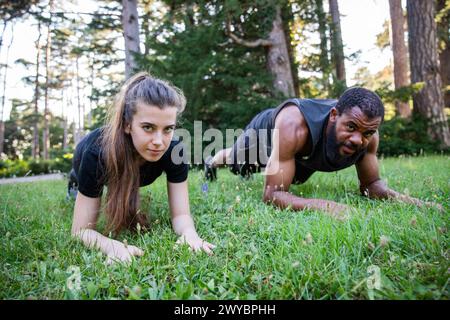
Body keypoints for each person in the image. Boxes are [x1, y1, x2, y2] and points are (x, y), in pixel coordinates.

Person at [205, 87, 441, 218]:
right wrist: (327, 206)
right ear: (334, 116)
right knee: (237, 161)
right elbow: (272, 195)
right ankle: (212, 161)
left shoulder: (369, 136)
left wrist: (416, 203)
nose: (359, 139)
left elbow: (372, 186)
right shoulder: (294, 125)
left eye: (367, 132)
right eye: (351, 127)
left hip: (299, 153)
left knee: (294, 176)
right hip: (265, 132)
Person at [69, 72, 215, 264]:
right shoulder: (96, 154)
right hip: (83, 161)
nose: (158, 142)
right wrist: (112, 246)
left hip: (129, 169)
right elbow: (80, 231)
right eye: (148, 127)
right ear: (128, 125)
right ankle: (73, 186)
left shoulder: (174, 151)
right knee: (77, 190)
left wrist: (190, 233)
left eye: (168, 129)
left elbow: (181, 214)